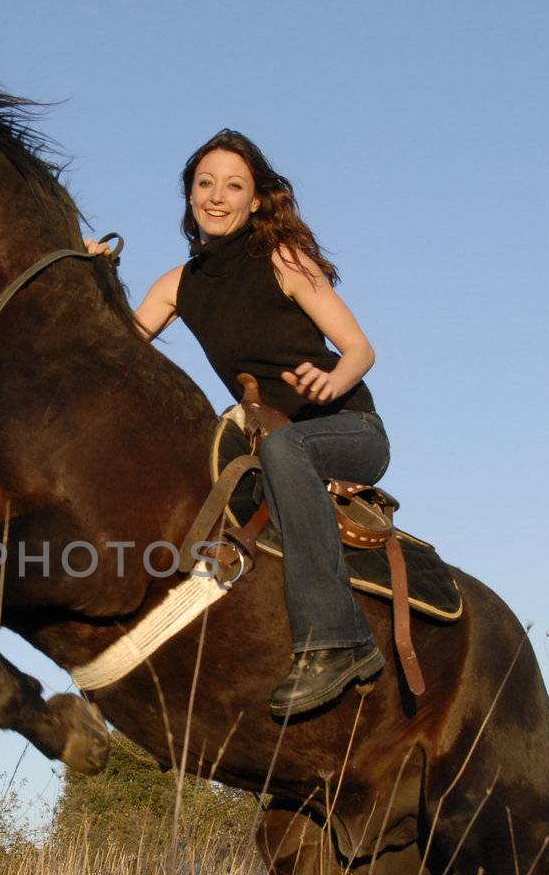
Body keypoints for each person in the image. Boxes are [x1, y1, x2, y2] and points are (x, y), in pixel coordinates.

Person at [89, 129, 390, 718]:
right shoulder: (177, 285)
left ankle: (339, 640)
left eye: (234, 185)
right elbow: (115, 349)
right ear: (190, 195)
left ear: (256, 200)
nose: (217, 196)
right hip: (273, 441)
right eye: (206, 184)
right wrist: (93, 275)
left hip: (348, 431)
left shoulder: (283, 259)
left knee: (283, 450)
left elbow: (360, 349)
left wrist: (333, 381)